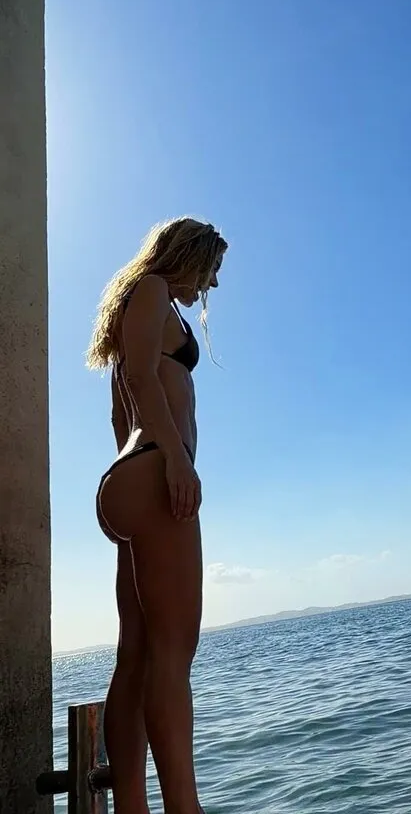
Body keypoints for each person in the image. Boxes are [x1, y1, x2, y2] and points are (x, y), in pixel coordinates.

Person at [86, 217, 227, 814]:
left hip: (133, 477)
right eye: (211, 270)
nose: (212, 285)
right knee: (173, 654)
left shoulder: (140, 300)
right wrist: (174, 461)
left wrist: (137, 473)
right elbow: (142, 380)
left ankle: (131, 806)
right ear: (188, 255)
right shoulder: (151, 289)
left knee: (137, 653)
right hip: (154, 473)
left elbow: (120, 408)